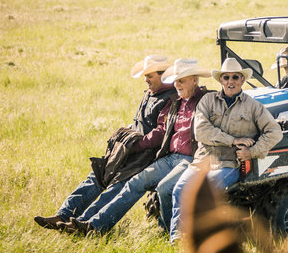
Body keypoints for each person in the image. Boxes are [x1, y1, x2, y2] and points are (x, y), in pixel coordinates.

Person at [56, 59, 211, 234]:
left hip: (189, 158)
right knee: (132, 182)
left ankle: (167, 230)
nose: (177, 84)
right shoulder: (176, 101)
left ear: (195, 80)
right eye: (175, 80)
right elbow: (161, 127)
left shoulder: (207, 100)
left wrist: (136, 145)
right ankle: (91, 225)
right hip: (169, 157)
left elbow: (161, 132)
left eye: (181, 80)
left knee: (163, 187)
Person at [34, 55, 177, 230]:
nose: (145, 80)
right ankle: (64, 214)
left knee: (118, 183)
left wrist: (134, 146)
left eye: (150, 76)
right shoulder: (151, 93)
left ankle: (86, 223)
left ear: (162, 75)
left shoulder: (170, 98)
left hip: (145, 155)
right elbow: (140, 122)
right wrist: (123, 138)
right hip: (132, 149)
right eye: (145, 76)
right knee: (98, 173)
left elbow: (161, 132)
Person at [168, 57, 283, 242]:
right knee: (180, 189)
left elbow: (275, 132)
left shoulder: (253, 106)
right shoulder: (207, 101)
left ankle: (202, 241)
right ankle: (178, 240)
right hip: (202, 161)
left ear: (242, 80)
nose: (231, 81)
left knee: (205, 194)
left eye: (235, 77)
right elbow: (201, 131)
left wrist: (252, 152)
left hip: (229, 164)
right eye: (226, 77)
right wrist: (233, 140)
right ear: (220, 80)